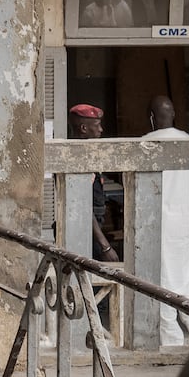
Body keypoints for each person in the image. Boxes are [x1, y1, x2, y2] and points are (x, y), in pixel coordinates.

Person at [142, 96, 189, 347]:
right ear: (173, 115)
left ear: (152, 118)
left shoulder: (145, 144)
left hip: (156, 221)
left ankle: (170, 339)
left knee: (161, 278)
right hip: (185, 222)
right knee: (184, 275)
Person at [68, 104, 118, 264]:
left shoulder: (87, 153)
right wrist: (104, 246)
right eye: (97, 125)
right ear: (83, 128)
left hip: (92, 226)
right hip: (85, 228)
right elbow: (82, 206)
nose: (101, 130)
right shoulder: (77, 158)